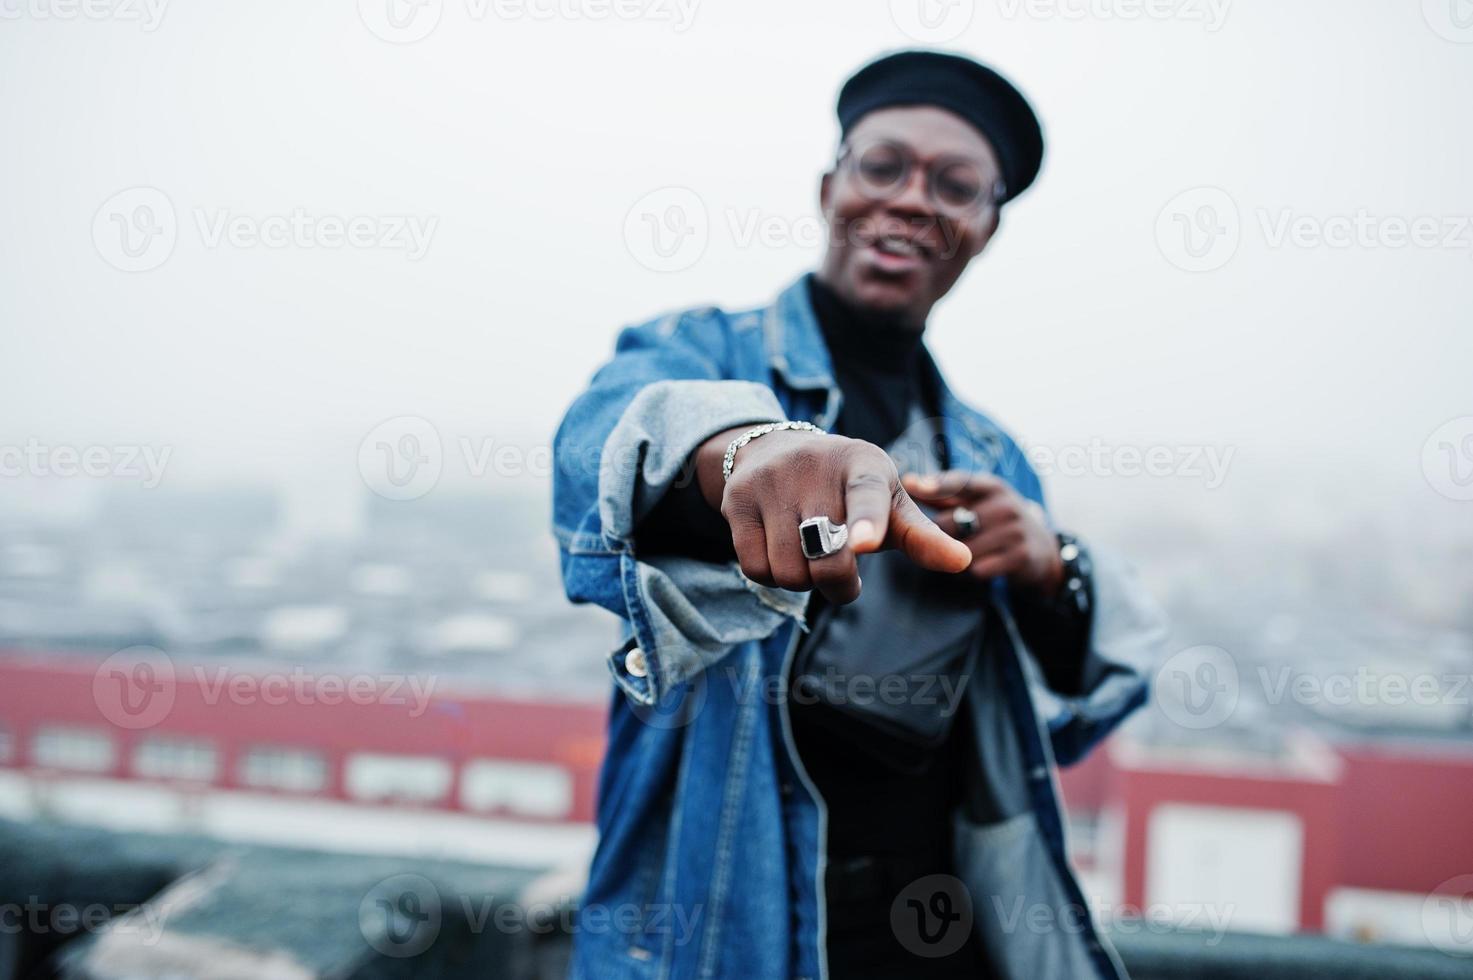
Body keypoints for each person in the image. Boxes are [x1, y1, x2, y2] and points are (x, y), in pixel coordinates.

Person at [552, 49, 1167, 980]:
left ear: (985, 227)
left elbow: (1067, 722)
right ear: (830, 185)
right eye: (883, 166)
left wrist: (1050, 566)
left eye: (955, 184)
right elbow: (594, 452)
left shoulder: (990, 456)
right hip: (733, 923)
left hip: (942, 931)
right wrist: (744, 456)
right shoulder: (704, 351)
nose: (913, 199)